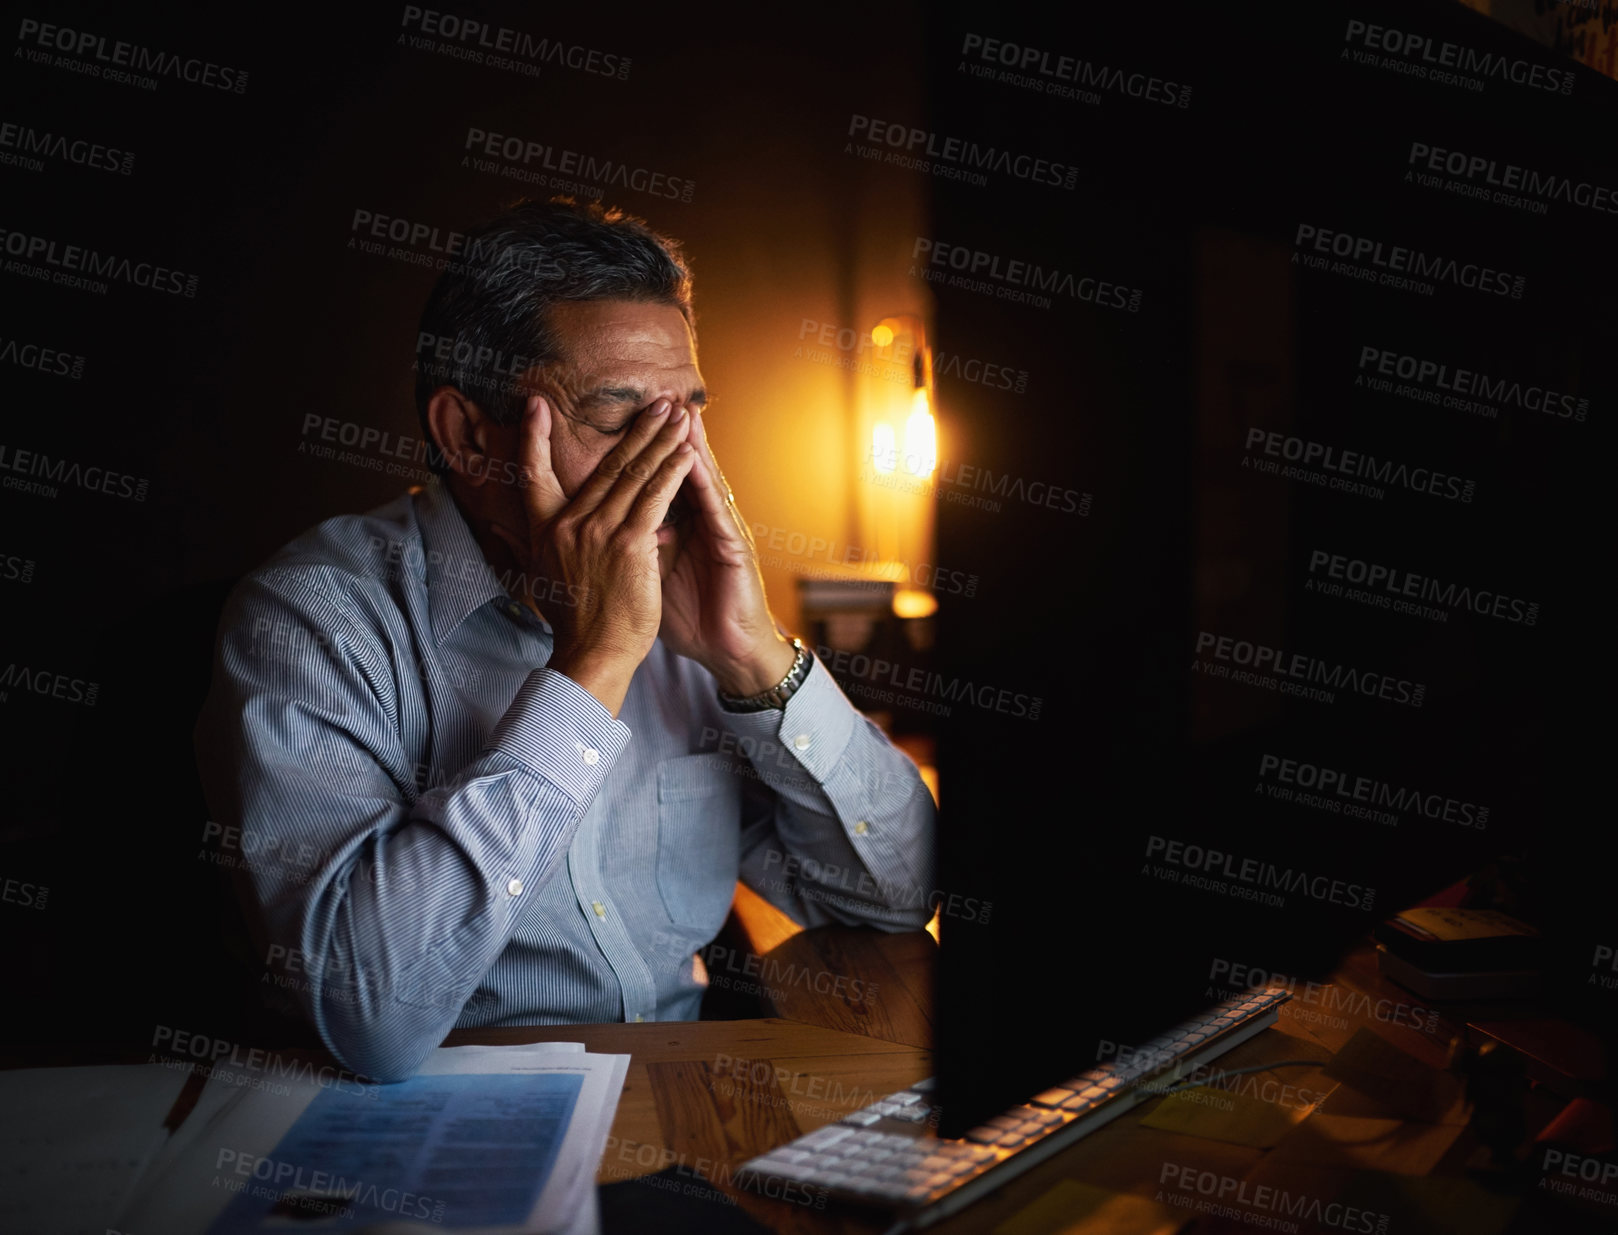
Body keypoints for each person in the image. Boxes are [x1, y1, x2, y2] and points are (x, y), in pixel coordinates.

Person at [195, 197, 937, 1082]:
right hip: (428, 1146)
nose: (675, 472)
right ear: (470, 436)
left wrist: (757, 659)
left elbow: (899, 893)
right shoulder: (311, 620)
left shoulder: (691, 611)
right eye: (623, 423)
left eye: (688, 420)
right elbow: (371, 1019)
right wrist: (594, 668)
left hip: (676, 1107)